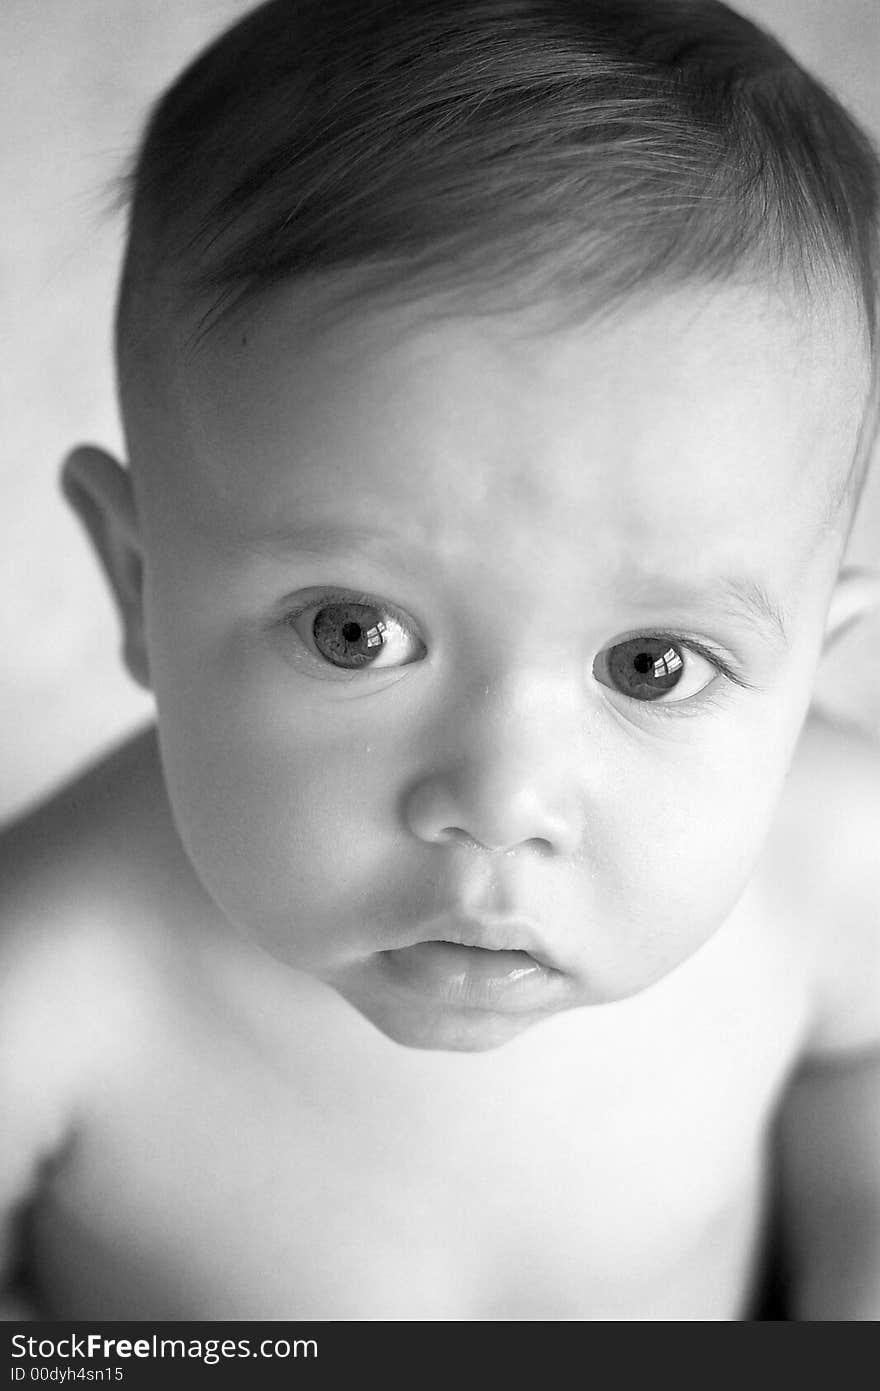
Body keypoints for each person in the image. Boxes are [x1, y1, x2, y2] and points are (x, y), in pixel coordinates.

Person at [2, 0, 879, 1321]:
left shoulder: (835, 864)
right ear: (138, 582)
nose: (499, 796)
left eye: (652, 665)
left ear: (816, 657)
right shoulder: (54, 979)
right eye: (356, 634)